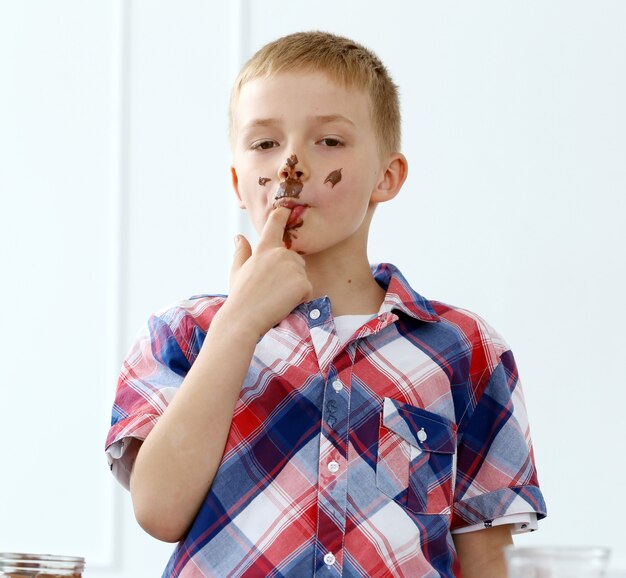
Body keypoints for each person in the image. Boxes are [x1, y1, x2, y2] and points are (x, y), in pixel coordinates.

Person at [105, 31, 547, 578]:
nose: (291, 164)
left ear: (387, 177)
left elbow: (488, 556)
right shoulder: (184, 335)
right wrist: (239, 324)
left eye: (329, 142)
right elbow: (158, 510)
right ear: (239, 182)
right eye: (265, 144)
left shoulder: (466, 349)